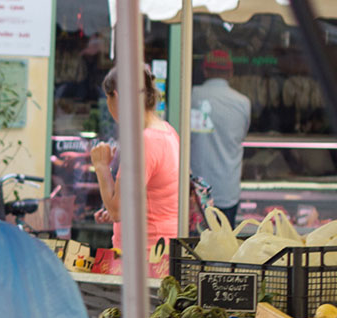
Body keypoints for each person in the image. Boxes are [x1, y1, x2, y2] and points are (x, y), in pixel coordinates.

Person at [90, 63, 180, 249]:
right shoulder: (167, 131)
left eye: (108, 99)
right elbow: (154, 197)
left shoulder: (144, 141)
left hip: (144, 255)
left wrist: (101, 167)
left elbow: (117, 211)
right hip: (160, 248)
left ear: (117, 96)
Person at [190, 49, 251, 223]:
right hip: (227, 190)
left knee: (194, 247)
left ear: (205, 71)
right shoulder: (243, 103)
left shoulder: (191, 96)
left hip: (196, 190)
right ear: (230, 73)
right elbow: (242, 134)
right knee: (224, 248)